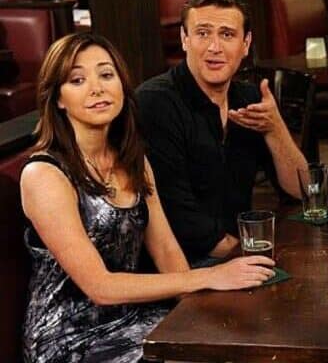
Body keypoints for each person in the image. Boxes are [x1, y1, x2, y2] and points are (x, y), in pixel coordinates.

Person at [20, 32, 277, 362]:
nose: (97, 88)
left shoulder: (134, 161)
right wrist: (209, 276)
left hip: (136, 317)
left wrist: (197, 314)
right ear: (58, 98)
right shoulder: (44, 174)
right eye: (77, 80)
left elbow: (167, 250)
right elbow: (100, 287)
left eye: (106, 75)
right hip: (69, 339)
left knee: (241, 338)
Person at [137, 0, 306, 267]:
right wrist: (247, 256)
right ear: (184, 39)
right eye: (203, 33)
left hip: (235, 255)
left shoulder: (250, 98)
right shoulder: (154, 102)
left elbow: (301, 190)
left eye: (227, 35)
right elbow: (177, 213)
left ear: (246, 44)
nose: (214, 48)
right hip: (178, 265)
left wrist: (275, 128)